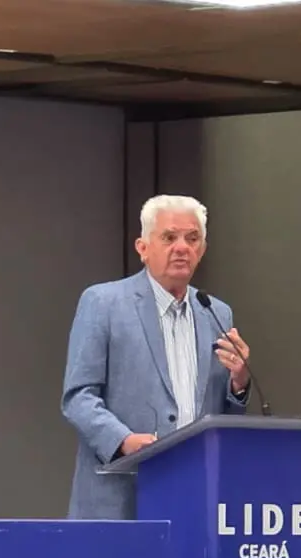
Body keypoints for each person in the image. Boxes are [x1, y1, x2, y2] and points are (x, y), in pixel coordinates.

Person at [61, 195, 252, 520]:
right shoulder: (103, 303)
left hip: (194, 496)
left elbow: (222, 414)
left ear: (202, 250)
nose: (182, 248)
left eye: (192, 239)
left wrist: (239, 383)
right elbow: (78, 397)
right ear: (143, 247)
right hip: (121, 498)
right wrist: (123, 441)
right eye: (169, 237)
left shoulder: (216, 313)